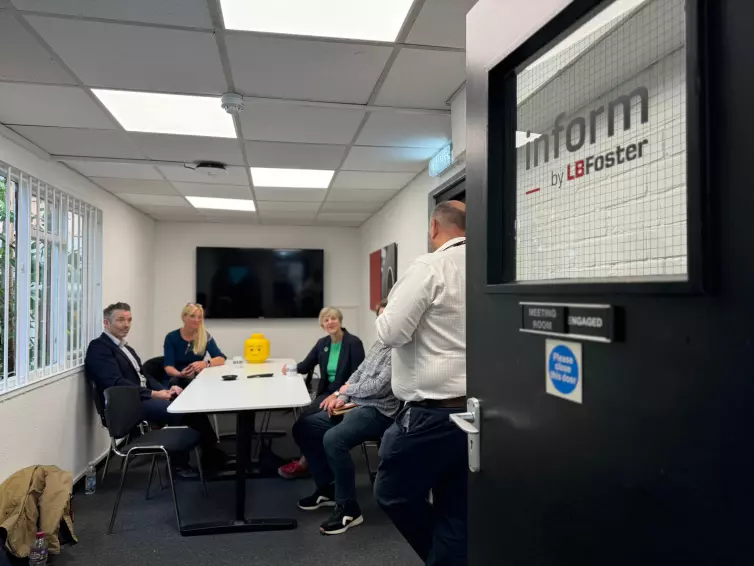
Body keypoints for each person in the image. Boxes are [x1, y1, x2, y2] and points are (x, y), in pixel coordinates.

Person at [374, 201, 467, 566]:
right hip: (475, 413)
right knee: (456, 505)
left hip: (430, 415)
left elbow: (391, 333)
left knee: (392, 493)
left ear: (433, 227)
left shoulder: (430, 266)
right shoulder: (486, 268)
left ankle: (439, 556)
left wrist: (385, 310)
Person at [293, 299, 398, 535]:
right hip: (357, 403)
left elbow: (380, 387)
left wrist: (343, 391)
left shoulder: (401, 346)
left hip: (379, 411)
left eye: (387, 316)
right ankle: (327, 488)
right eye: (380, 317)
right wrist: (343, 394)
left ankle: (349, 508)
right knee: (303, 427)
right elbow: (360, 373)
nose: (383, 322)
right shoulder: (380, 343)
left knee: (333, 438)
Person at [85, 302, 226, 476]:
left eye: (129, 320)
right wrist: (153, 394)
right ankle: (178, 466)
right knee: (179, 411)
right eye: (120, 320)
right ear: (106, 323)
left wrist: (167, 389)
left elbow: (145, 377)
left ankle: (211, 453)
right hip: (128, 404)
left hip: (141, 397)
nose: (126, 324)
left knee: (189, 407)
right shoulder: (99, 348)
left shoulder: (125, 347)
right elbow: (116, 383)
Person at [278, 307, 365, 480]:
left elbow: (359, 375)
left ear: (340, 321)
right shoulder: (322, 343)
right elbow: (305, 365)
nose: (330, 322)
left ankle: (306, 463)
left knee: (306, 422)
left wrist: (339, 394)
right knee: (305, 420)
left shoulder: (353, 343)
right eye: (326, 320)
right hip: (326, 392)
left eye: (333, 318)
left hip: (345, 395)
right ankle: (311, 459)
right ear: (322, 325)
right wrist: (289, 368)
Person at [163, 303, 226, 387]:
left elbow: (221, 358)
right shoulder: (171, 337)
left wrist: (206, 363)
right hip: (176, 380)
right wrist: (180, 374)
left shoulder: (204, 336)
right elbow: (168, 367)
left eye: (199, 317)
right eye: (192, 316)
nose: (196, 320)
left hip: (197, 378)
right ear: (184, 317)